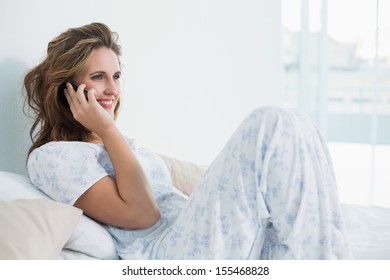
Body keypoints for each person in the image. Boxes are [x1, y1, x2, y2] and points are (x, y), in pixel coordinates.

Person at [24, 22, 351, 259]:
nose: (112, 89)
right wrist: (109, 131)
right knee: (270, 121)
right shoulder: (53, 158)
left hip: (204, 233)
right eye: (98, 77)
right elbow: (143, 216)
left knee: (299, 123)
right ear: (68, 88)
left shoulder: (130, 147)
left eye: (117, 76)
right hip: (171, 253)